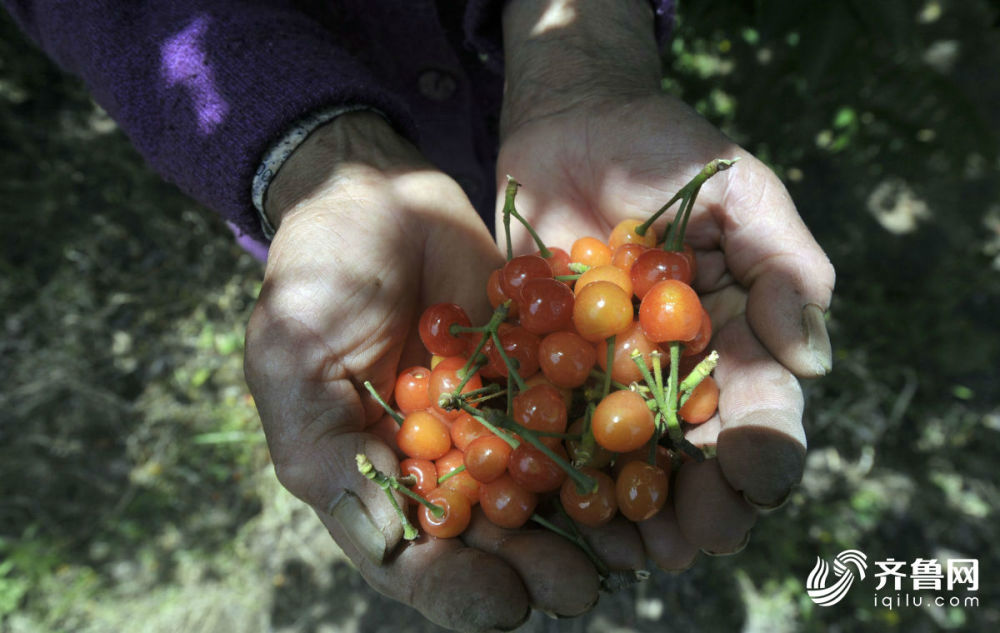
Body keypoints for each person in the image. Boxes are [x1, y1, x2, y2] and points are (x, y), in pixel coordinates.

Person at [3, 1, 835, 630]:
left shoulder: (596, 334)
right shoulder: (525, 375)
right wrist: (314, 159)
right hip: (354, 188)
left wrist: (586, 55)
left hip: (535, 164)